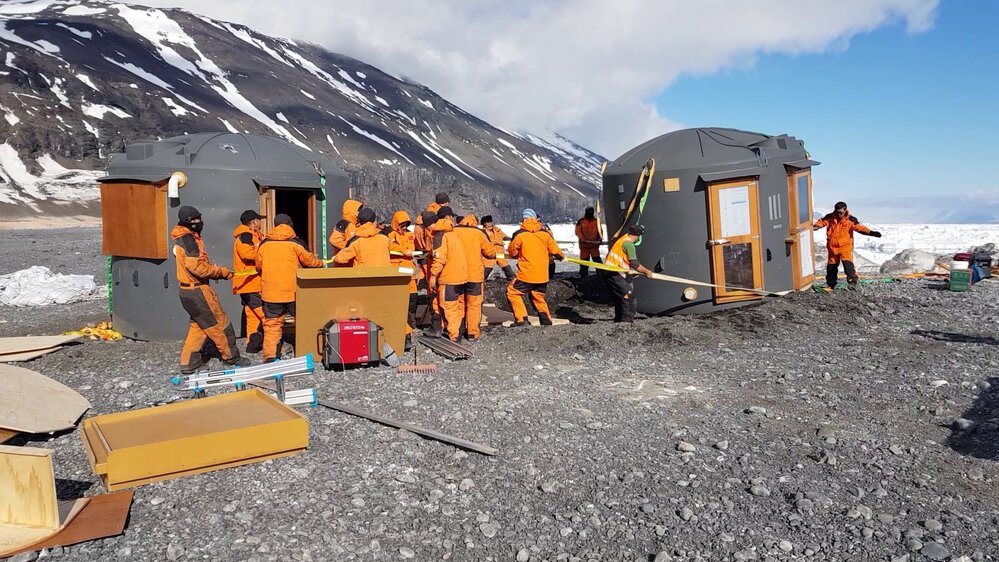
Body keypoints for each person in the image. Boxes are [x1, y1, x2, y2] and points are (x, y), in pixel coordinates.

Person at [171, 206, 249, 374]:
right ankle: (231, 358)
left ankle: (189, 362)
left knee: (199, 326)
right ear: (190, 221)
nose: (200, 222)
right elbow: (196, 267)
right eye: (197, 219)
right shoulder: (188, 240)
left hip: (186, 291)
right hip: (198, 291)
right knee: (219, 324)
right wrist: (219, 272)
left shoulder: (181, 238)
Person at [256, 213, 325, 362]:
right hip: (293, 292)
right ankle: (306, 351)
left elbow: (258, 266)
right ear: (290, 225)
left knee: (272, 324)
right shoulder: (296, 244)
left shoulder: (264, 244)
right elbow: (310, 262)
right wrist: (321, 263)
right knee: (302, 321)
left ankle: (270, 356)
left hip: (271, 293)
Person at [506, 208, 564, 326]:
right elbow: (556, 251)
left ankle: (521, 320)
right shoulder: (545, 234)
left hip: (526, 274)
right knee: (538, 296)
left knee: (512, 292)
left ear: (524, 219)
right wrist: (562, 257)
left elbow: (512, 251)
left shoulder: (519, 235)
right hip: (542, 275)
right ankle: (546, 321)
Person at [813, 201, 882, 290]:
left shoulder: (851, 220)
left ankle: (852, 282)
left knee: (848, 266)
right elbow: (822, 222)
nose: (838, 214)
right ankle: (830, 284)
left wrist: (871, 233)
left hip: (845, 247)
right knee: (831, 267)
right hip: (832, 247)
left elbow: (860, 228)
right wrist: (816, 226)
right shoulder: (830, 217)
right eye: (836, 212)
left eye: (840, 212)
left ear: (845, 210)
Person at [428, 206, 469, 341]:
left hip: (448, 278)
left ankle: (454, 335)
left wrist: (433, 275)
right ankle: (458, 330)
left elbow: (440, 258)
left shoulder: (440, 235)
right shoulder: (454, 234)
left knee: (449, 307)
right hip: (462, 276)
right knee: (458, 306)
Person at [454, 214, 496, 340]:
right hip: (475, 275)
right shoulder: (479, 233)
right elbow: (490, 252)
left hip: (458, 274)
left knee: (460, 302)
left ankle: (458, 330)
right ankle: (472, 332)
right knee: (474, 304)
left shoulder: (454, 232)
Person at [604, 225, 654, 323]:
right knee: (628, 296)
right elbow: (634, 264)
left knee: (620, 297)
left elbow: (622, 261)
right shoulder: (628, 244)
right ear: (638, 236)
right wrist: (647, 271)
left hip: (611, 271)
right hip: (614, 273)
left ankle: (618, 320)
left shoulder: (623, 239)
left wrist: (630, 272)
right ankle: (626, 321)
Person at [232, 210, 265, 353]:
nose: (261, 221)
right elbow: (247, 254)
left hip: (248, 285)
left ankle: (252, 346)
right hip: (250, 284)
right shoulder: (246, 236)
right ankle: (274, 345)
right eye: (259, 219)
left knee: (252, 315)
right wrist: (265, 255)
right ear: (253, 221)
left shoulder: (253, 235)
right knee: (266, 315)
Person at [388, 210, 419, 344]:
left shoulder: (410, 235)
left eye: (406, 225)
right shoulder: (391, 236)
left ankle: (412, 325)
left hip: (410, 271)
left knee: (413, 299)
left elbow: (414, 247)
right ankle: (404, 327)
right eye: (402, 225)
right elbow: (391, 248)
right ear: (396, 224)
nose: (404, 227)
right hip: (398, 272)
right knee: (401, 300)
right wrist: (405, 252)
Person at [481, 215, 515, 281]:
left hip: (500, 254)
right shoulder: (482, 233)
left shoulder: (497, 230)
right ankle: (479, 284)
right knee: (484, 273)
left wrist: (512, 239)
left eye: (491, 221)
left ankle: (512, 283)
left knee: (508, 271)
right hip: (490, 255)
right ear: (484, 223)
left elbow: (504, 236)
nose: (490, 223)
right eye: (488, 222)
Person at [575, 207, 603, 277]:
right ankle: (583, 277)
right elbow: (577, 231)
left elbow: (600, 231)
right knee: (584, 264)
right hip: (584, 246)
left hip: (594, 246)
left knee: (597, 262)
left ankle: (601, 275)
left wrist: (600, 239)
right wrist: (582, 238)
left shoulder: (597, 222)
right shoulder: (580, 221)